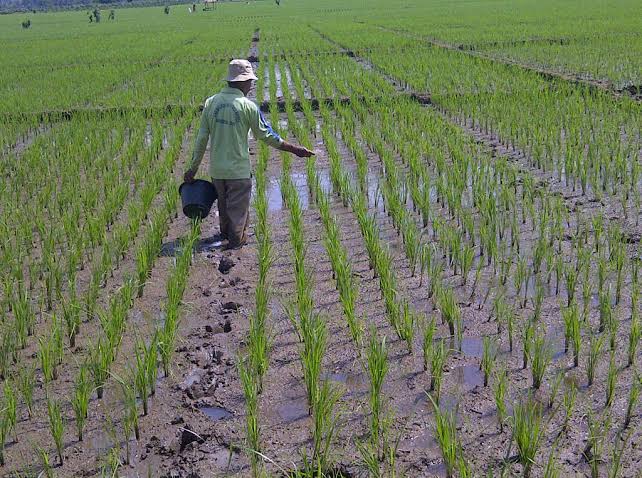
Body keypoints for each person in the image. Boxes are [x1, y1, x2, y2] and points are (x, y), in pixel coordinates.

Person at [184, 59, 314, 249]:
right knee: (238, 212)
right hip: (239, 171)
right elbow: (267, 135)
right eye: (250, 81)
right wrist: (294, 149)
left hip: (218, 171)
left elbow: (201, 139)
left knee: (224, 207)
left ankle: (224, 239)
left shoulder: (211, 103)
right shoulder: (248, 106)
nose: (251, 85)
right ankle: (234, 250)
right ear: (243, 82)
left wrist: (192, 169)